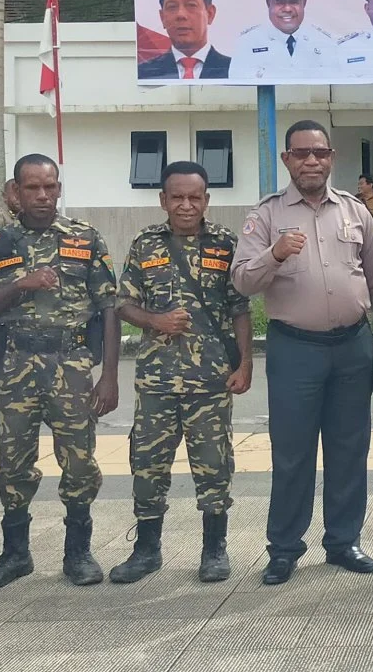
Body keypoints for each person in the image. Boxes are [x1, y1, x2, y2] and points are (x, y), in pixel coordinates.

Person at [233, 120, 373, 584]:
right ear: (287, 160)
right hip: (296, 350)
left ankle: (343, 540)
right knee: (292, 452)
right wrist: (274, 254)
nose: (312, 161)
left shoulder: (354, 211)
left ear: (331, 159)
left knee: (350, 448)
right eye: (302, 153)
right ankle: (285, 548)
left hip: (352, 345)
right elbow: (242, 281)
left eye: (320, 153)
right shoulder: (266, 215)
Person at [0, 154, 122, 590]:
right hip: (14, 363)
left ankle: (78, 552)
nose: (42, 196)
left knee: (79, 460)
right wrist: (20, 285)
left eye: (49, 187)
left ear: (58, 188)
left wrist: (109, 376)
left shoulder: (84, 238)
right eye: (32, 188)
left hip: (71, 363)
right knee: (11, 461)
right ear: (15, 192)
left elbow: (109, 307)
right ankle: (15, 554)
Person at [111, 161, 254, 584]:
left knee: (213, 465)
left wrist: (244, 364)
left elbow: (240, 309)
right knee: (147, 464)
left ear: (207, 199)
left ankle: (214, 549)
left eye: (195, 197)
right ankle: (146, 550)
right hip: (156, 380)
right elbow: (122, 303)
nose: (186, 205)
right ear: (163, 200)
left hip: (211, 380)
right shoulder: (145, 244)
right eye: (177, 197)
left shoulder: (227, 244)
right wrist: (154, 321)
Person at [231, 0, 336, 80]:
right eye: (279, 1)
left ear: (304, 3)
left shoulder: (324, 42)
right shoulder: (247, 43)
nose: (287, 8)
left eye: (294, 1)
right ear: (268, 3)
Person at [139, 0, 230, 79]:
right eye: (172, 7)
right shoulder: (145, 73)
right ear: (162, 18)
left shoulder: (233, 70)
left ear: (210, 13)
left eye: (191, 5)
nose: (180, 15)